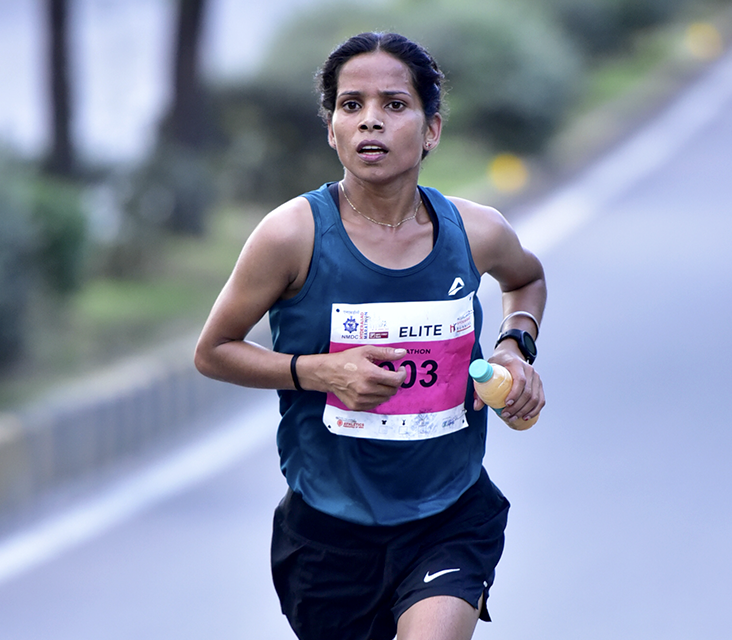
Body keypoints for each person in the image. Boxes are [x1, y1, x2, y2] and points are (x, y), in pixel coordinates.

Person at [194, 31, 546, 640]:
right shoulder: (291, 235)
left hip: (450, 514)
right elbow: (213, 352)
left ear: (431, 130)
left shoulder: (477, 231)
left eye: (394, 104)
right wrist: (319, 372)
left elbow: (527, 280)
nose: (370, 121)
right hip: (328, 535)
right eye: (350, 105)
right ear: (332, 130)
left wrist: (515, 346)